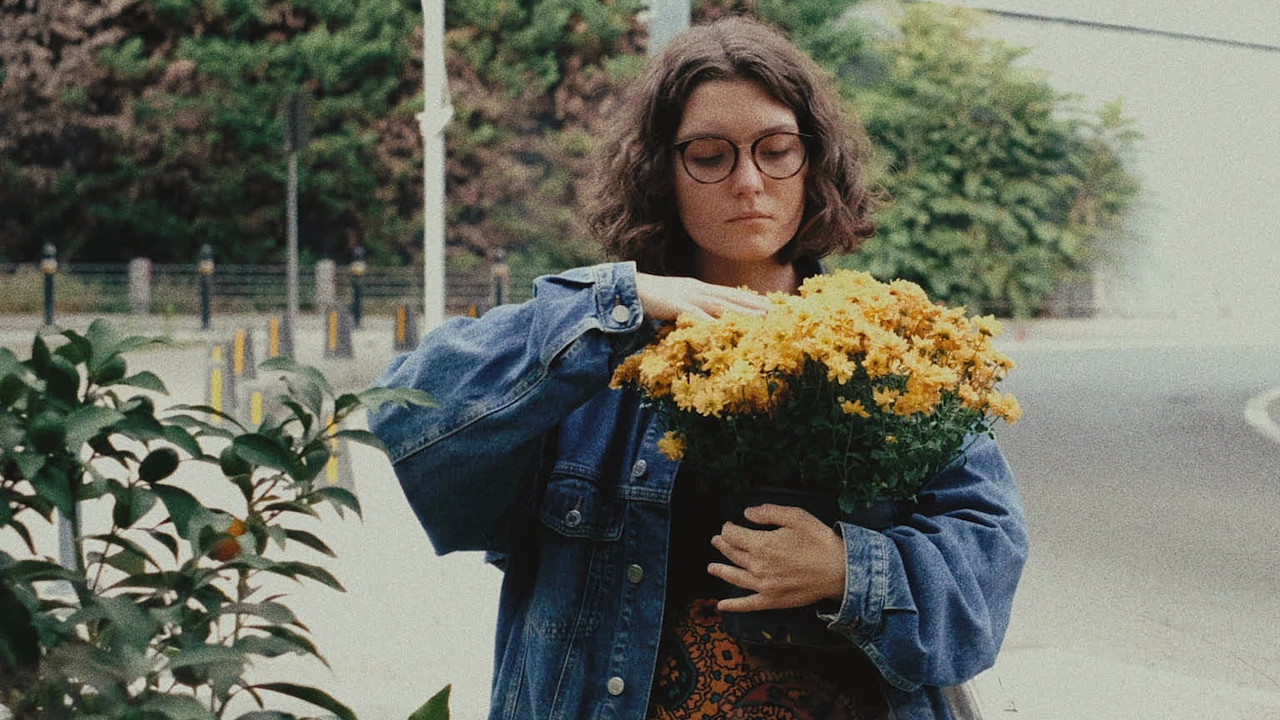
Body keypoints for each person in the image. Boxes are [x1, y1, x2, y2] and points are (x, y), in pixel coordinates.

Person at [370, 16, 1027, 720]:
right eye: (710, 156)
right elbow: (410, 417)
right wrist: (614, 305)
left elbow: (985, 565)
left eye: (776, 150)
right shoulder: (598, 360)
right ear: (663, 171)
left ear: (814, 162)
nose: (749, 182)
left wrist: (847, 570)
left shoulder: (889, 356)